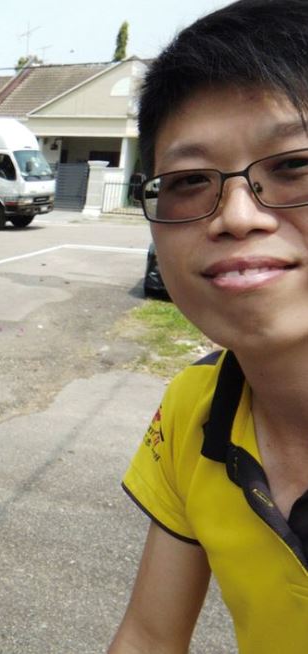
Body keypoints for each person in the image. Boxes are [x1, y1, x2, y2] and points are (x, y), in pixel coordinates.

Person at [109, 1, 308, 652]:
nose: (238, 215)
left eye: (294, 166)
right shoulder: (195, 411)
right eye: (190, 181)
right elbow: (148, 636)